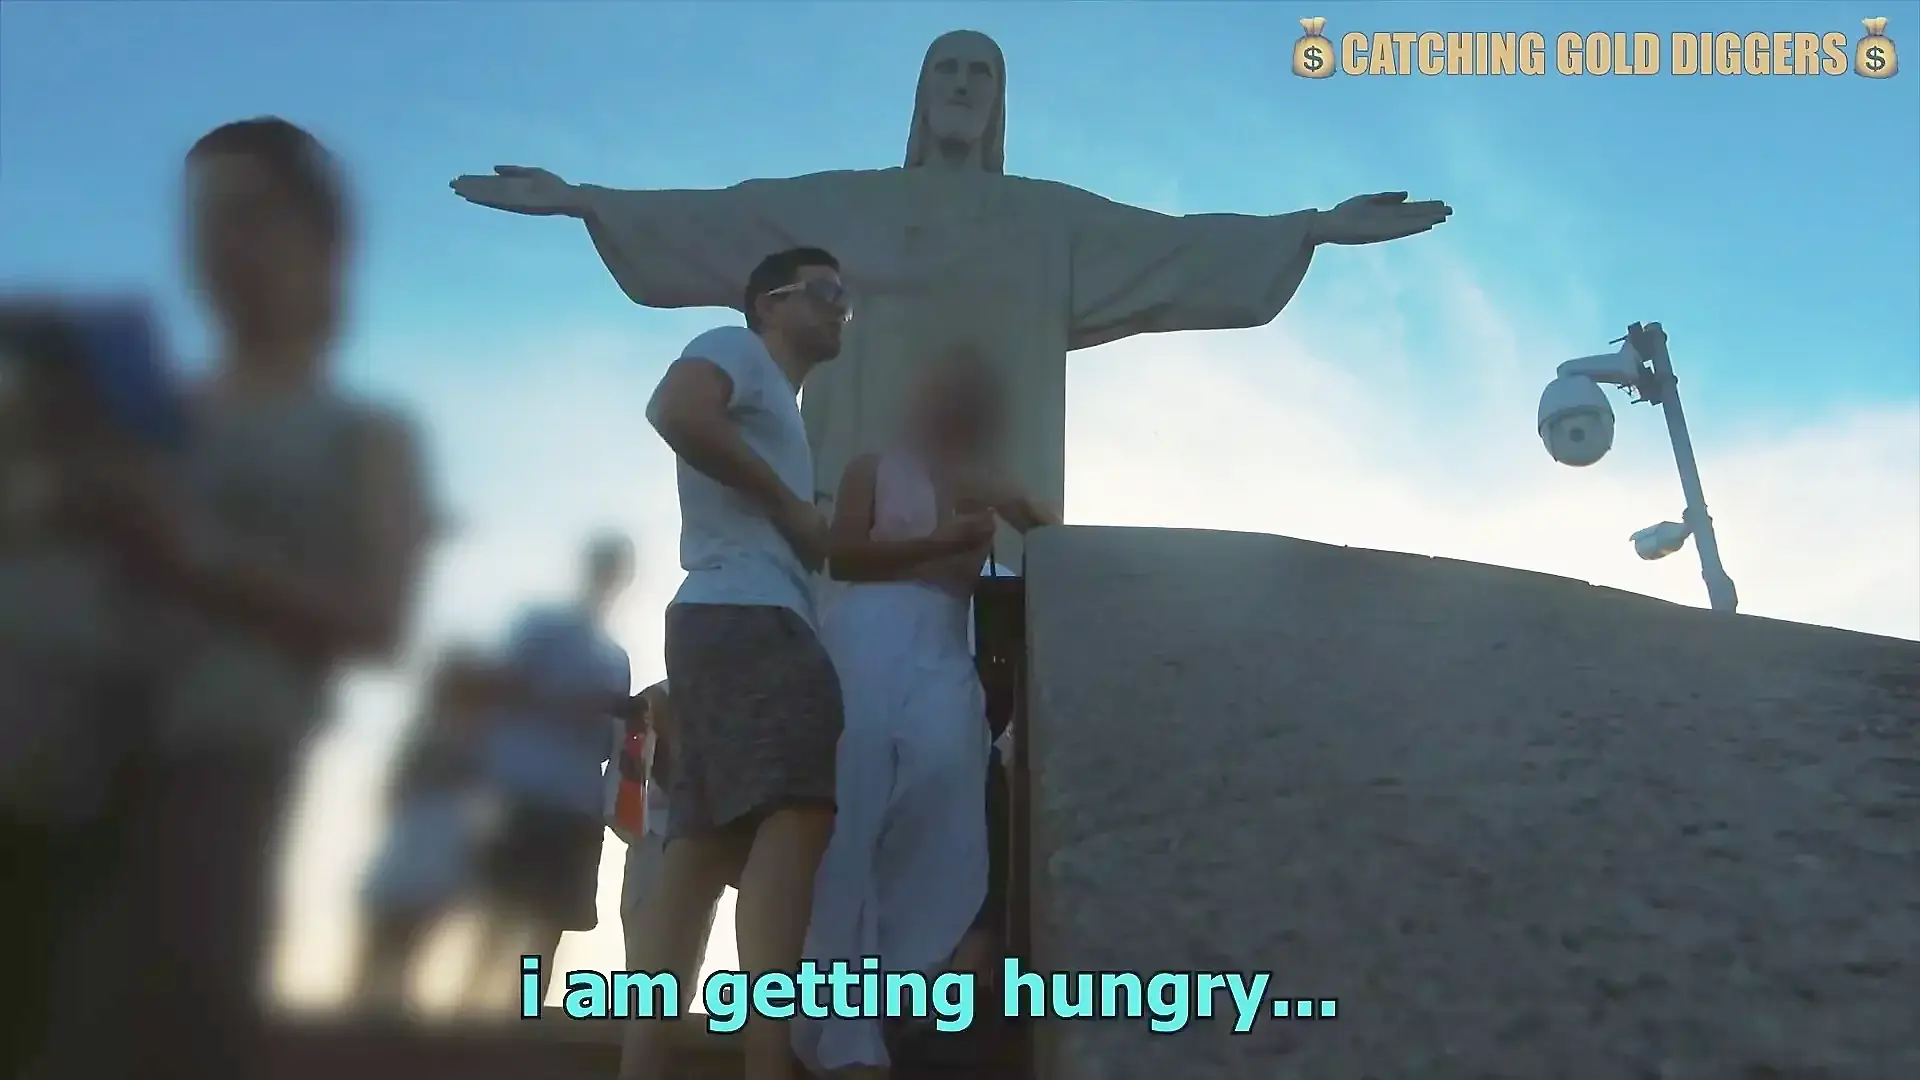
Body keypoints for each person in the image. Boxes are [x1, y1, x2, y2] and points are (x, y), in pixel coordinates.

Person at [30, 116, 437, 1080]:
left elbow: (378, 620)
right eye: (205, 219)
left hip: (214, 768)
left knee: (164, 1027)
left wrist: (190, 550)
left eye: (253, 214)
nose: (222, 244)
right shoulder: (142, 415)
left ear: (324, 239)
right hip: (52, 762)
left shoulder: (364, 433)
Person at [618, 246, 847, 1080]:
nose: (840, 307)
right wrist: (790, 507)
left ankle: (642, 1063)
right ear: (768, 303)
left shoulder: (777, 405)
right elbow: (675, 409)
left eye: (845, 298)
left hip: (718, 617)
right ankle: (767, 1063)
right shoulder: (736, 348)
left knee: (704, 845)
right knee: (797, 814)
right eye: (823, 291)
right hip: (754, 617)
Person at [792, 352, 1054, 1078]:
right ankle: (838, 1023)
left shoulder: (983, 481)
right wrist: (937, 543)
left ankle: (909, 990)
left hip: (942, 642)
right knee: (853, 812)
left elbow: (1058, 542)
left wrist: (1015, 500)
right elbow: (843, 556)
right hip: (866, 637)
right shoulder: (873, 468)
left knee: (943, 791)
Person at [468, 532, 635, 1009]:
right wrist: (569, 704)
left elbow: (613, 741)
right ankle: (472, 1016)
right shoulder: (541, 624)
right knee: (499, 914)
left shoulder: (616, 658)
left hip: (579, 805)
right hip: (525, 790)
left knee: (552, 922)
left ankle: (523, 1017)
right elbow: (499, 687)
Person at [353, 645, 498, 1014]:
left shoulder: (469, 741)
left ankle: (380, 1006)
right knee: (387, 937)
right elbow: (398, 788)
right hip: (419, 841)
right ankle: (372, 1005)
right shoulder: (439, 736)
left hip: (435, 845)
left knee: (402, 940)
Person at [612, 680, 721, 973]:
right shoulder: (658, 697)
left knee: (676, 959)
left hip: (696, 840)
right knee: (647, 957)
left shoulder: (724, 695)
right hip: (656, 838)